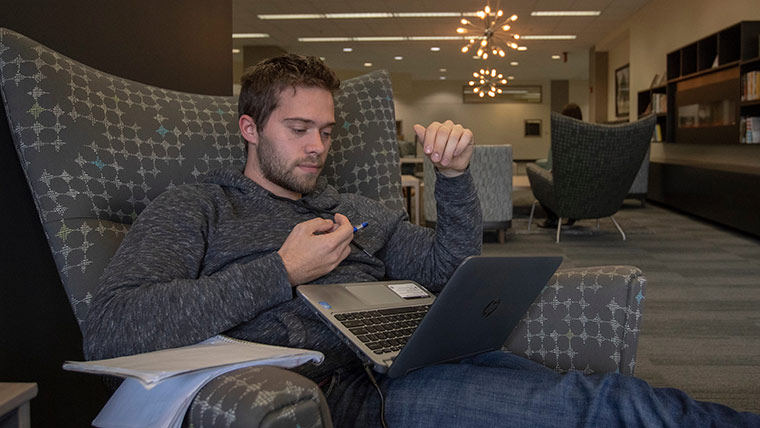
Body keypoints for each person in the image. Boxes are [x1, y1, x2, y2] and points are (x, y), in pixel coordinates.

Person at [84, 55, 758, 428]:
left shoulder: (350, 208)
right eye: (298, 129)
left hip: (417, 350)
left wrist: (455, 181)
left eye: (327, 129)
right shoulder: (201, 205)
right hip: (352, 392)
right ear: (249, 129)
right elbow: (113, 328)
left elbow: (448, 267)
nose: (318, 146)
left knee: (604, 394)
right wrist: (281, 270)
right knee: (600, 409)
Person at [538, 102, 583, 229]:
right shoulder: (590, 137)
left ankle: (552, 219)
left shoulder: (563, 138)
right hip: (585, 189)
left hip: (564, 189)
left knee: (541, 181)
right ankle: (572, 216)